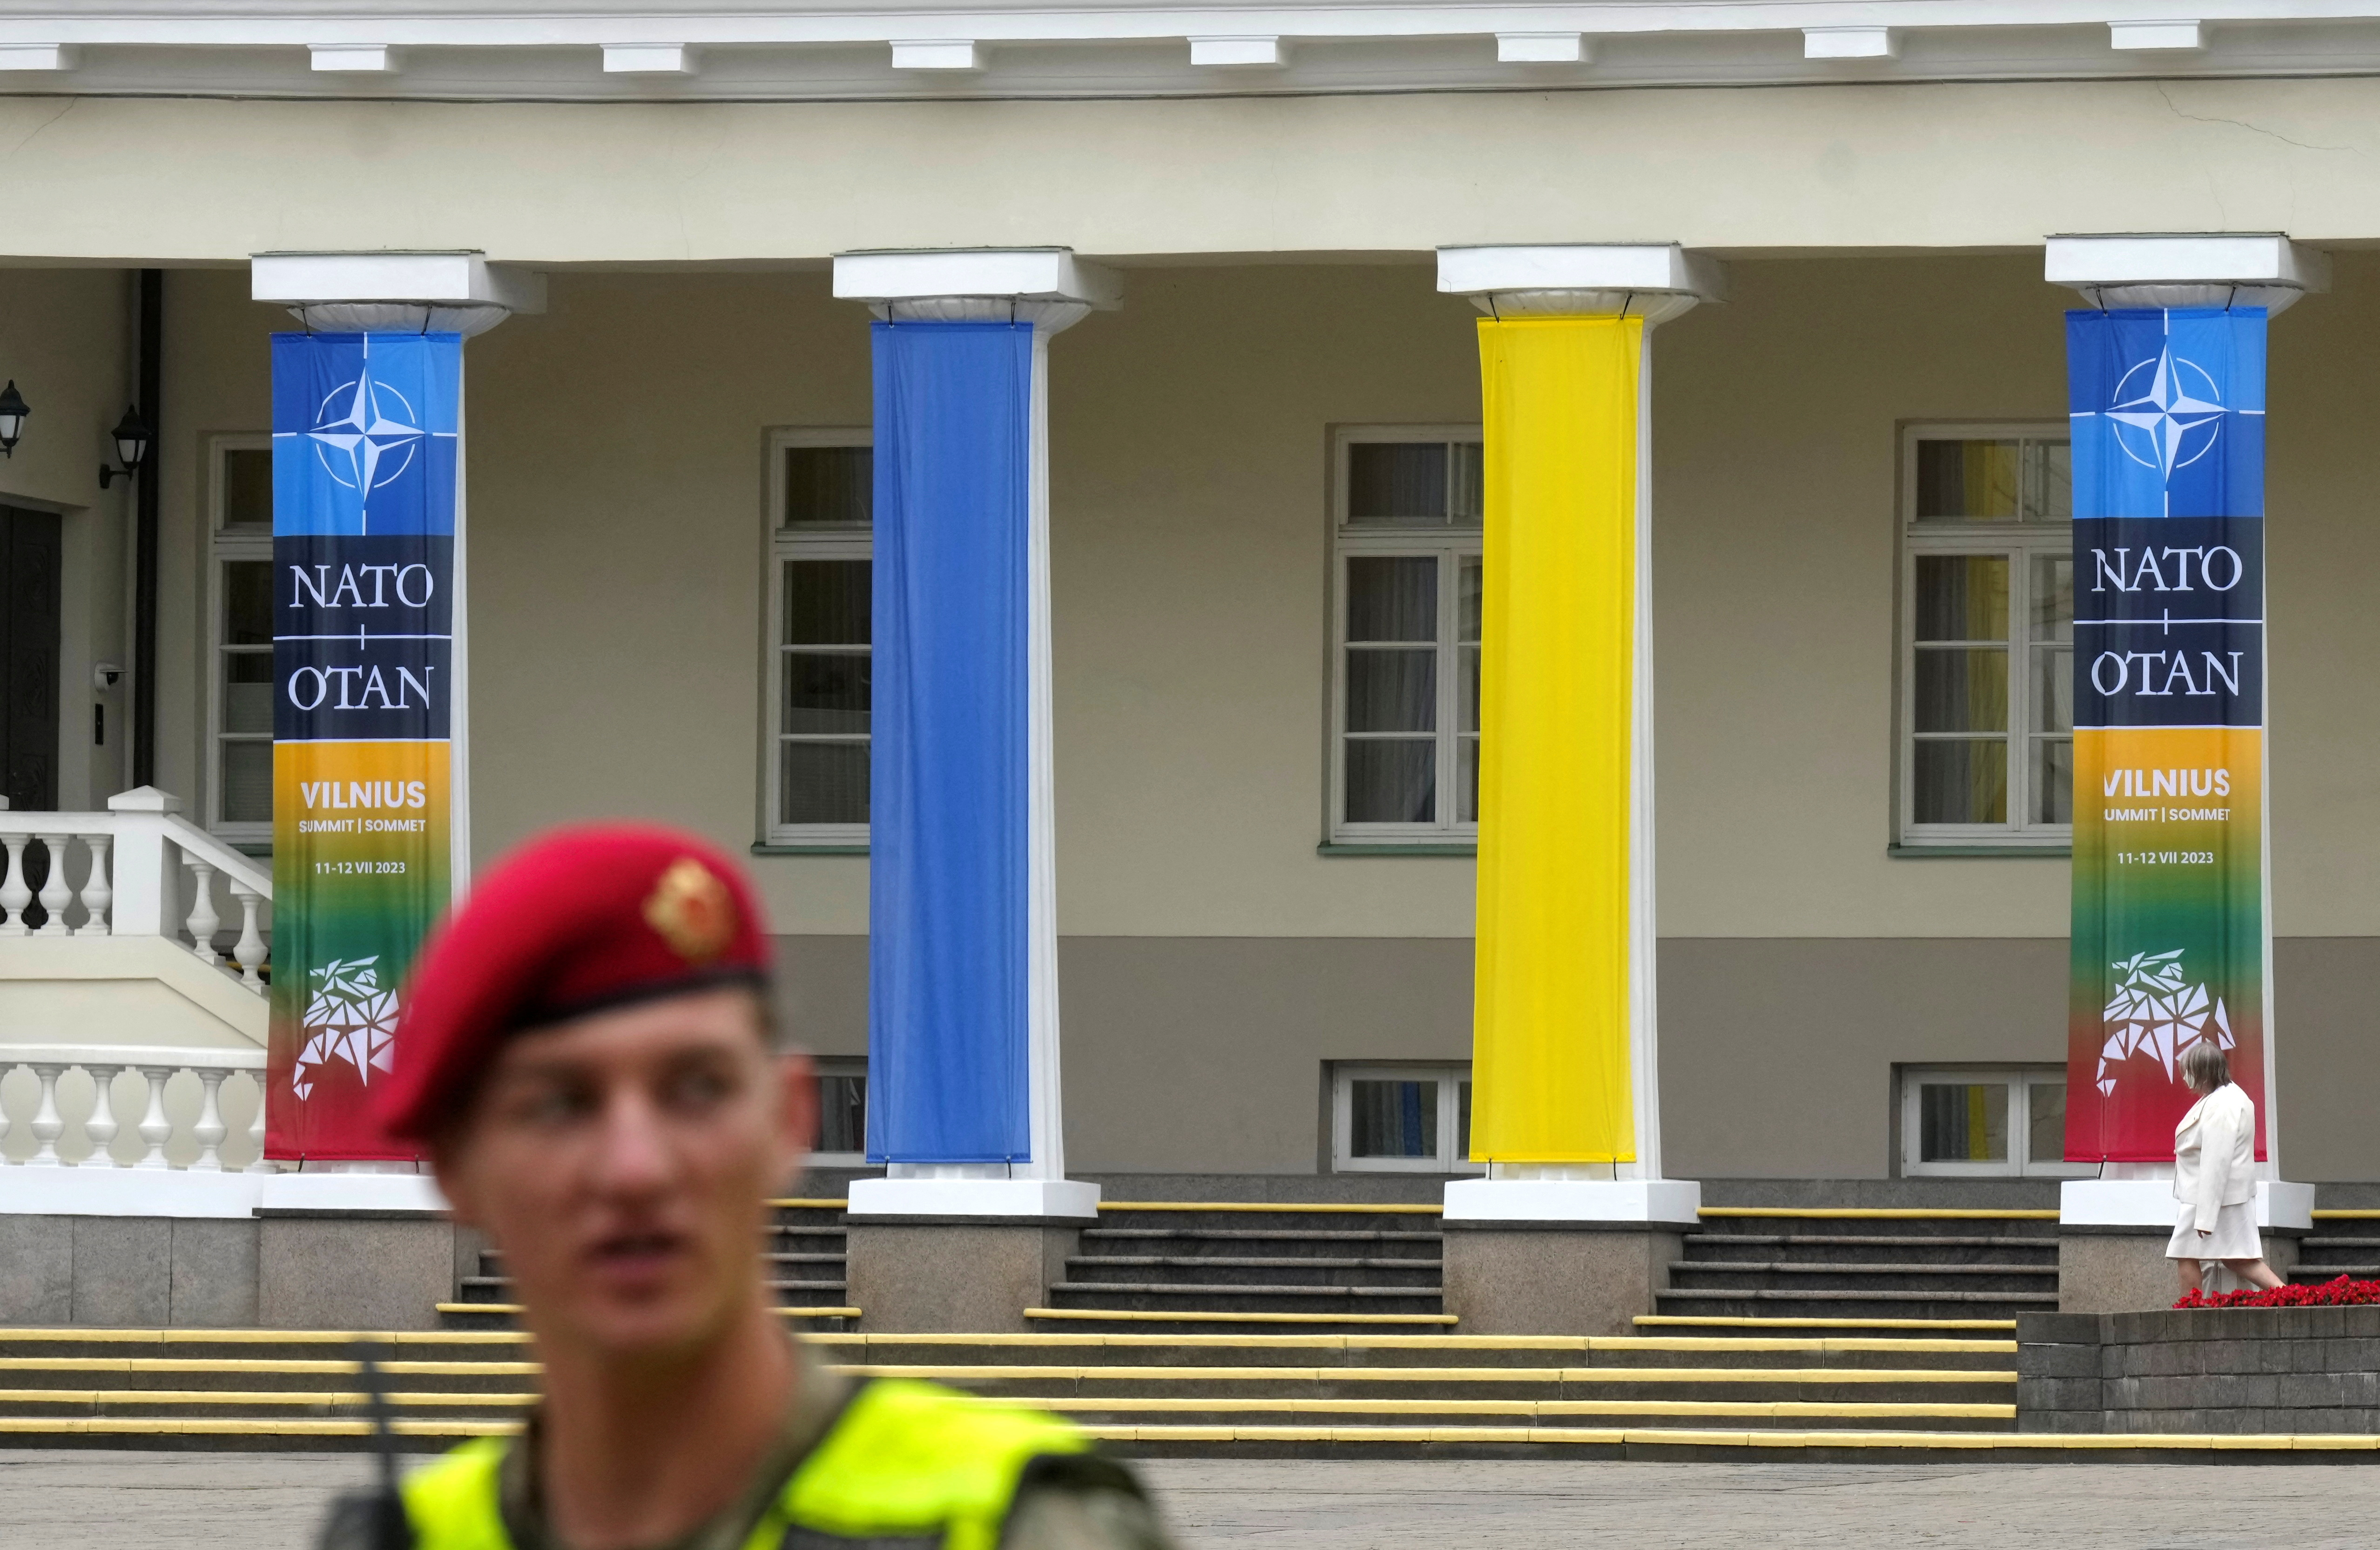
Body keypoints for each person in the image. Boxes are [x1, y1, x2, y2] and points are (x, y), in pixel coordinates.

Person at [318, 823, 1171, 1550]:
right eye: (559, 1103)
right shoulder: (417, 1531)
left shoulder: (1016, 1520)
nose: (636, 1168)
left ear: (790, 1117)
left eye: (696, 1086)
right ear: (454, 1168)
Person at [2169, 1040, 2285, 1299]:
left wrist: (2206, 1217)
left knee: (2186, 1252)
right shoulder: (2223, 1098)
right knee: (2239, 1258)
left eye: (2189, 1070)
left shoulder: (2223, 1104)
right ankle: (2291, 1297)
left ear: (2202, 1072)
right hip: (2218, 1198)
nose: (2185, 1077)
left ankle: (2191, 1315)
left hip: (2211, 1199)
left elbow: (2216, 1161)